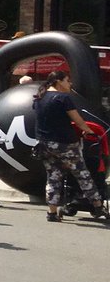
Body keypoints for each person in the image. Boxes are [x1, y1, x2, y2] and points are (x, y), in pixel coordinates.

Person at [34, 71, 108, 222]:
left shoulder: (39, 97)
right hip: (65, 144)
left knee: (53, 177)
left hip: (44, 144)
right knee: (83, 175)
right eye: (68, 80)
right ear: (59, 81)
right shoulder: (63, 98)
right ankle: (98, 206)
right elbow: (78, 121)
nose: (70, 84)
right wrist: (89, 132)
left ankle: (52, 212)